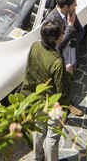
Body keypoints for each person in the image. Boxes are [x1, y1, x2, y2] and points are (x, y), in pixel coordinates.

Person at [20, 19, 70, 161]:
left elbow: (29, 71)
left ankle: (38, 157)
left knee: (39, 130)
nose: (63, 35)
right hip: (53, 104)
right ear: (56, 38)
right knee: (52, 137)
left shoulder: (35, 46)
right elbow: (61, 90)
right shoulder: (57, 62)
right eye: (62, 33)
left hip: (37, 99)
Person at [45, 0, 84, 93]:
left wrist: (72, 47)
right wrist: (70, 27)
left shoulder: (70, 13)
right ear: (66, 6)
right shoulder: (52, 21)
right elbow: (56, 46)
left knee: (70, 79)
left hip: (71, 53)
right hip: (61, 59)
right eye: (74, 4)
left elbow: (80, 31)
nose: (76, 5)